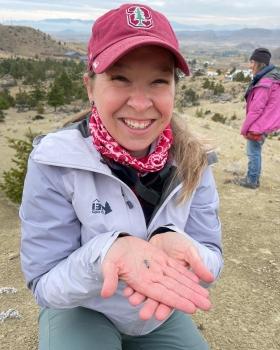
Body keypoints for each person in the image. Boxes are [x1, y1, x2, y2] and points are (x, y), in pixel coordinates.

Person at [20, 4, 223, 350]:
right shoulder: (55, 161)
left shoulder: (194, 161)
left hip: (159, 313)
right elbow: (43, 282)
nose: (141, 103)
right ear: (90, 86)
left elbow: (211, 256)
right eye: (120, 79)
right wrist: (106, 254)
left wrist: (177, 245)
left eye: (158, 81)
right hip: (81, 307)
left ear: (175, 88)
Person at [234, 47, 280, 189]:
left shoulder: (264, 83)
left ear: (259, 63)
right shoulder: (272, 78)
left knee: (253, 152)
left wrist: (244, 128)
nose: (250, 65)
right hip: (266, 122)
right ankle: (253, 178)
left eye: (252, 62)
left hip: (259, 124)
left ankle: (252, 180)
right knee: (255, 151)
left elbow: (255, 110)